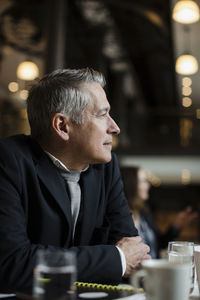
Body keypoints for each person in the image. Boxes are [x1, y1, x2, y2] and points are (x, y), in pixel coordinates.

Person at [0, 68, 150, 293]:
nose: (115, 127)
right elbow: (13, 264)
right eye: (102, 115)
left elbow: (134, 252)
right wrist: (115, 258)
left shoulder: (106, 168)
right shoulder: (7, 161)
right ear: (62, 126)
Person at [120, 166, 198, 258]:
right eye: (143, 181)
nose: (148, 185)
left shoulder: (144, 215)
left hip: (153, 271)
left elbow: (160, 244)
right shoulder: (119, 220)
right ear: (130, 185)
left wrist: (176, 226)